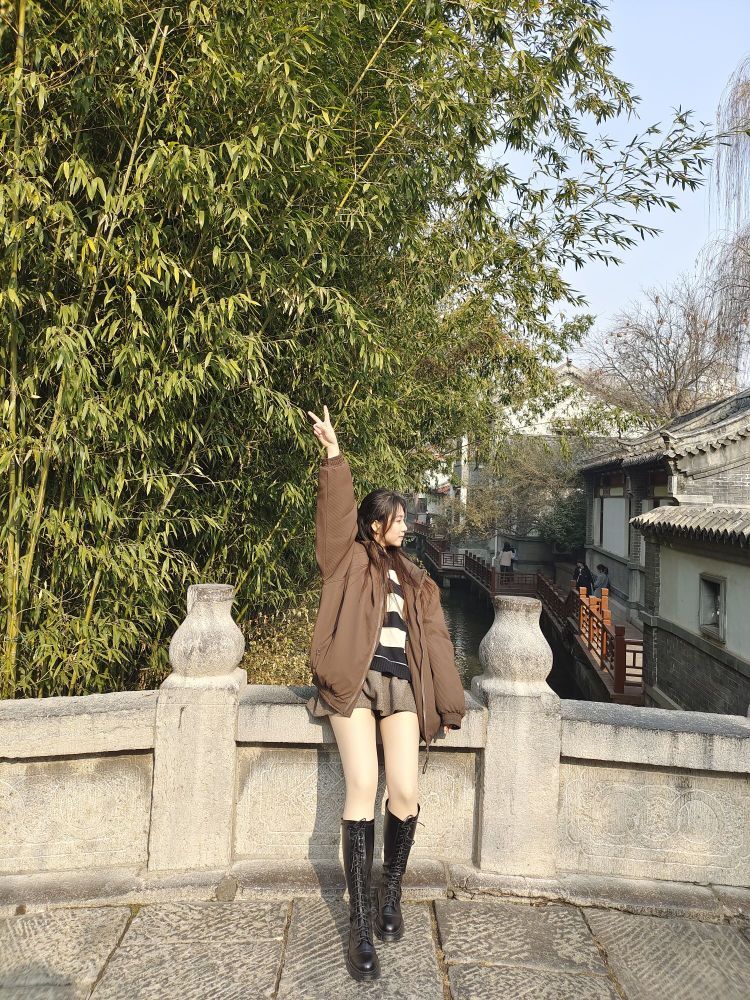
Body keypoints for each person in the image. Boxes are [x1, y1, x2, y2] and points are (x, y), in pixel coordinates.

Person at [305, 404, 465, 982]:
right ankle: (360, 925)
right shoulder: (346, 560)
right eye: (397, 519)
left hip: (401, 688)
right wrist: (334, 456)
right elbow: (335, 516)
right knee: (362, 786)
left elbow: (437, 642)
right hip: (353, 683)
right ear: (376, 525)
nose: (406, 526)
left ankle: (390, 890)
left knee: (404, 790)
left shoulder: (416, 578)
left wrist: (449, 703)